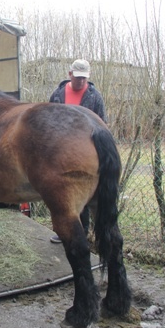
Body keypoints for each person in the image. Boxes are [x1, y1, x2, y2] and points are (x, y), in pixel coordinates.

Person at [48, 59, 106, 244]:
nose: (81, 81)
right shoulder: (57, 95)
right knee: (62, 192)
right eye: (78, 77)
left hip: (84, 152)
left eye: (84, 78)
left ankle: (83, 233)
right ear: (70, 74)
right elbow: (48, 122)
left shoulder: (94, 97)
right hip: (61, 152)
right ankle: (64, 230)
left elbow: (102, 125)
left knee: (83, 192)